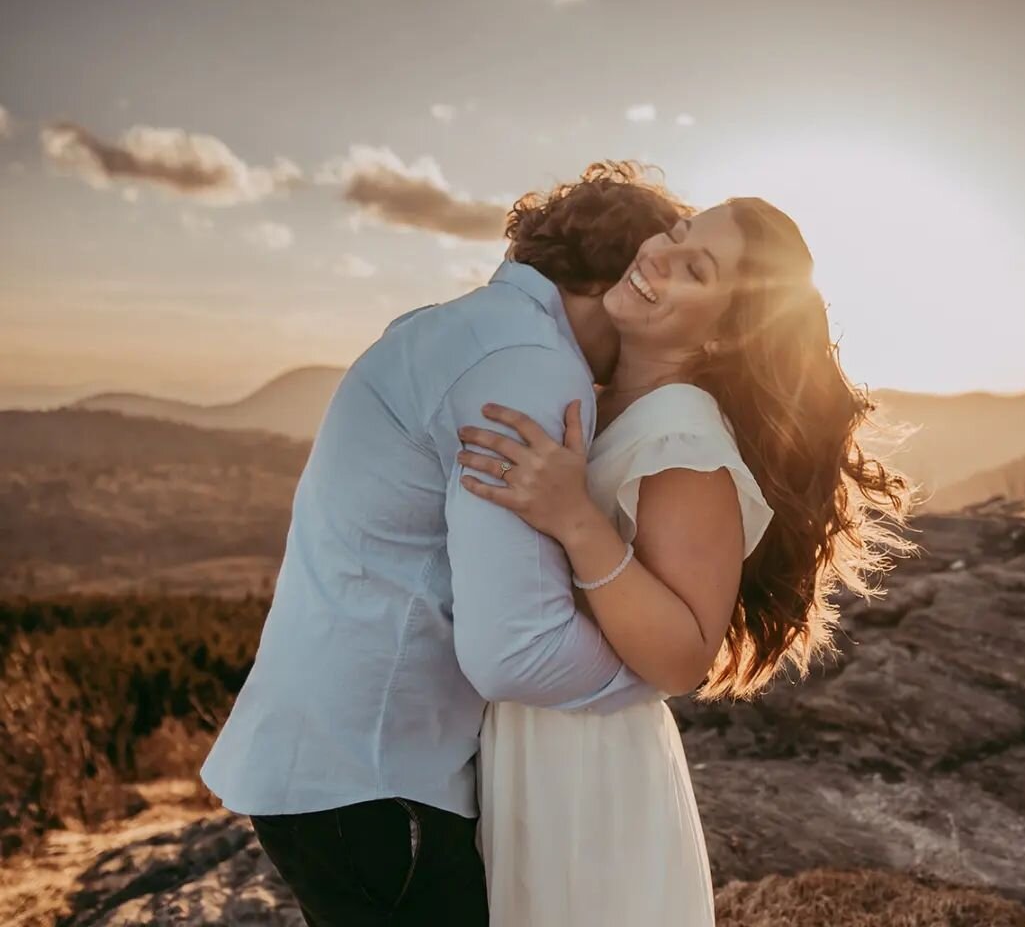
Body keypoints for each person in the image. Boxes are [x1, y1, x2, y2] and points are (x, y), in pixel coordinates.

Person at [199, 162, 686, 926]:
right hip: (377, 780)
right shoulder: (529, 365)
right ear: (623, 278)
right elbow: (514, 651)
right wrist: (664, 667)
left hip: (337, 765)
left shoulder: (444, 325)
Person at [453, 197, 912, 925]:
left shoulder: (683, 440)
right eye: (676, 234)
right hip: (533, 746)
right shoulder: (605, 402)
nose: (658, 255)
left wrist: (576, 520)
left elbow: (682, 656)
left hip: (585, 776)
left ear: (726, 339)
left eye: (694, 268)